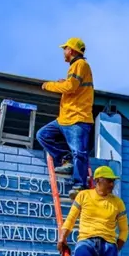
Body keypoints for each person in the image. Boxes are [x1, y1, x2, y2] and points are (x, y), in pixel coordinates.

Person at [37, 38, 94, 199]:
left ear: (73, 51)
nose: (64, 51)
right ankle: (65, 159)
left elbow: (70, 87)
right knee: (43, 135)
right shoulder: (77, 67)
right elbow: (72, 84)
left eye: (66, 49)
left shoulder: (80, 64)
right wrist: (64, 82)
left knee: (80, 153)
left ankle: (79, 186)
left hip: (77, 118)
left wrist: (49, 85)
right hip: (66, 118)